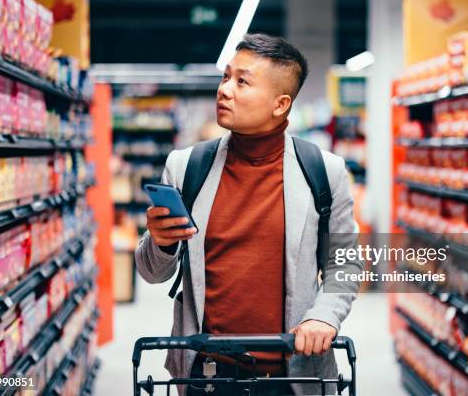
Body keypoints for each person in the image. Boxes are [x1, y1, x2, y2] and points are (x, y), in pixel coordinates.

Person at [135, 33, 362, 396]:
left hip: (293, 376)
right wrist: (160, 243)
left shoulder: (323, 172)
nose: (225, 90)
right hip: (205, 375)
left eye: (242, 81)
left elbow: (344, 264)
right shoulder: (186, 167)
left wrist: (324, 316)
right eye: (226, 77)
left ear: (280, 104)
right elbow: (151, 273)